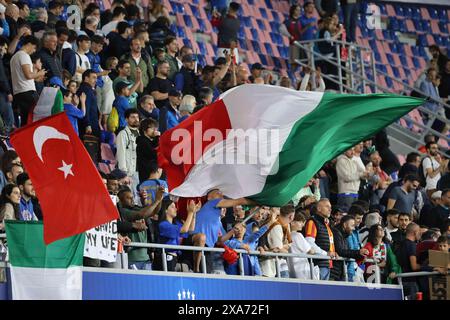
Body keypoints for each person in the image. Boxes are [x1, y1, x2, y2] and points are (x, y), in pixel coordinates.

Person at [193, 188, 255, 273]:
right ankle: (195, 268)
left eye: (222, 194)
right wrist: (256, 202)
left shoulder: (218, 222)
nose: (221, 195)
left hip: (206, 250)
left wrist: (233, 231)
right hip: (194, 242)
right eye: (218, 193)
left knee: (205, 278)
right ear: (209, 197)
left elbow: (221, 240)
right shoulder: (211, 203)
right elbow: (238, 201)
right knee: (201, 238)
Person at [117, 186, 164, 270]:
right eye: (128, 198)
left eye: (132, 197)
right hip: (133, 258)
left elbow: (154, 212)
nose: (132, 200)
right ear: (120, 200)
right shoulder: (124, 212)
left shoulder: (137, 208)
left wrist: (159, 199)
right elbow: (141, 214)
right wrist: (156, 201)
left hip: (146, 258)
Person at [157, 199, 200, 271]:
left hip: (175, 258)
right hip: (167, 258)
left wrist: (193, 213)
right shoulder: (163, 225)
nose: (176, 209)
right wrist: (190, 212)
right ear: (165, 210)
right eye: (172, 207)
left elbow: (190, 228)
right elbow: (184, 229)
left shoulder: (175, 224)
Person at [10, 35, 44, 126]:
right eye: (34, 48)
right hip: (27, 92)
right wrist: (39, 74)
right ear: (29, 44)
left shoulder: (14, 57)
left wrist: (36, 77)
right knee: (31, 120)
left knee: (25, 121)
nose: (34, 51)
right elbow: (28, 75)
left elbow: (23, 76)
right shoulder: (24, 55)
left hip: (18, 92)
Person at [304, 199, 338, 280]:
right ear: (319, 209)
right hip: (318, 264)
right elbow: (309, 243)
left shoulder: (326, 224)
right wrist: (325, 254)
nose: (330, 209)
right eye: (327, 206)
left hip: (327, 264)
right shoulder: (312, 222)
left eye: (330, 207)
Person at [259, 205, 294, 278]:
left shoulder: (282, 225)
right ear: (291, 216)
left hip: (273, 267)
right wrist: (285, 249)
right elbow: (278, 249)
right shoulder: (276, 226)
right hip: (268, 267)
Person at [331, 215, 368, 281]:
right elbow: (340, 251)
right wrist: (358, 252)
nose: (354, 228)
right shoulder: (336, 233)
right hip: (334, 272)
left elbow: (347, 251)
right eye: (352, 226)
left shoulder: (344, 235)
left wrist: (360, 255)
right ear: (345, 225)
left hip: (340, 272)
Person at [116, 108, 140, 202]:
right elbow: (121, 154)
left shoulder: (140, 134)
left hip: (138, 171)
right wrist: (124, 173)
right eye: (133, 117)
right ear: (126, 119)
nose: (136, 119)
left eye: (137, 117)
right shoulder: (123, 134)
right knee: (131, 199)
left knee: (138, 199)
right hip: (129, 172)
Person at [288, 211, 320, 279]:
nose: (302, 225)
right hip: (302, 271)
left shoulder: (286, 236)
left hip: (291, 271)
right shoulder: (297, 235)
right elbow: (311, 251)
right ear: (292, 222)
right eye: (300, 222)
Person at [77, 69, 100, 137]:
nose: (96, 80)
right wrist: (87, 124)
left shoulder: (84, 89)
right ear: (86, 78)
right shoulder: (86, 90)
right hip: (89, 127)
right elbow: (85, 107)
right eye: (93, 77)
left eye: (96, 78)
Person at [136, 118, 160, 184]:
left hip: (150, 173)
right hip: (146, 175)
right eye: (152, 128)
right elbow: (153, 154)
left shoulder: (148, 141)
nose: (155, 131)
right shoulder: (142, 141)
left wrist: (157, 138)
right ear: (144, 130)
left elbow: (154, 146)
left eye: (156, 128)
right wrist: (157, 137)